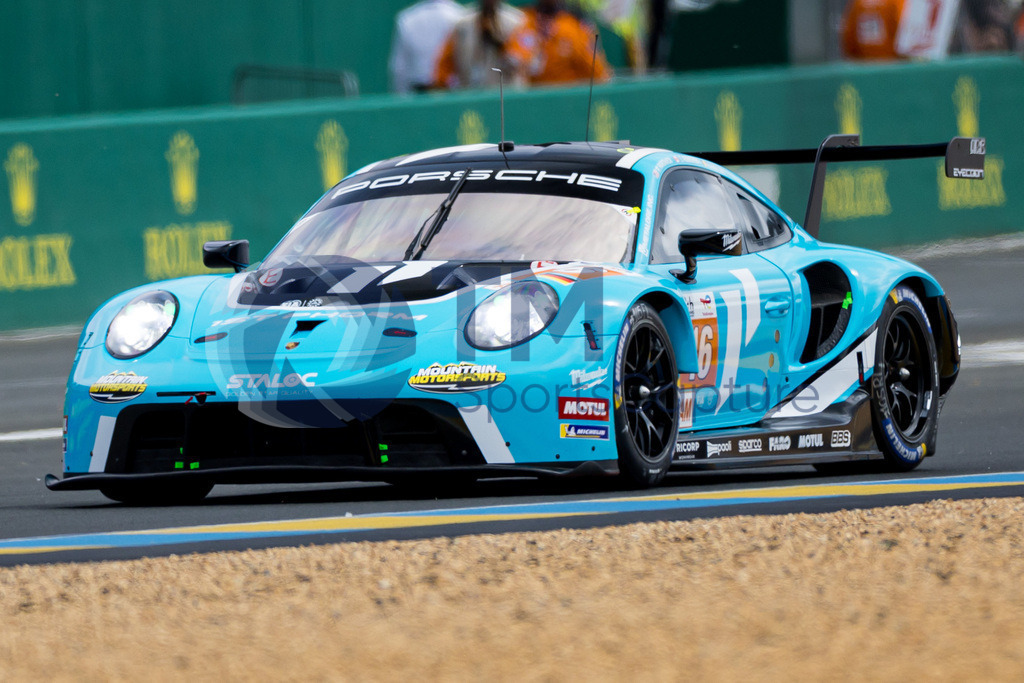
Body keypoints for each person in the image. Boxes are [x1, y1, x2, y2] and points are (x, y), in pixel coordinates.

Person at [505, 0, 612, 85]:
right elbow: (515, 59)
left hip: (568, 99)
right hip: (534, 98)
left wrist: (559, 36)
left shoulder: (573, 25)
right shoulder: (527, 19)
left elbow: (599, 74)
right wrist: (540, 41)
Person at [433, 0, 526, 90]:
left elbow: (522, 63)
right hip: (470, 91)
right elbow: (445, 64)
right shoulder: (462, 23)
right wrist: (442, 84)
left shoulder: (516, 22)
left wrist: (499, 44)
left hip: (504, 93)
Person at [389, 0, 468, 94]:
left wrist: (402, 99)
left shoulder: (407, 18)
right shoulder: (461, 16)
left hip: (422, 95)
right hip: (451, 95)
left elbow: (399, 69)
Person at [840, 0, 907, 60]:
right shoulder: (897, 2)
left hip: (866, 64)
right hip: (893, 64)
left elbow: (849, 37)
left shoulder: (857, 3)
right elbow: (905, 34)